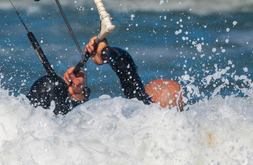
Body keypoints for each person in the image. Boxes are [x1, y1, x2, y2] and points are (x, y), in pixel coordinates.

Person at [27, 37, 185, 115]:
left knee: (51, 85)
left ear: (154, 101)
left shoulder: (145, 112)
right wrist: (77, 96)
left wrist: (104, 52)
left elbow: (124, 64)